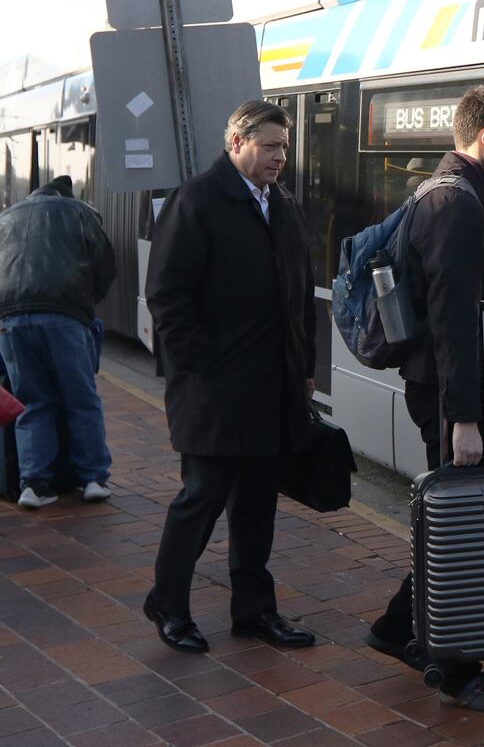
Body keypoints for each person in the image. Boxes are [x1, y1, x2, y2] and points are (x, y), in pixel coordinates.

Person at [364, 85, 484, 714]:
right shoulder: (457, 204)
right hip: (449, 395)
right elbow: (454, 317)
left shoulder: (447, 192)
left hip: (445, 389)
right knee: (463, 527)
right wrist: (466, 417)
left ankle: (397, 628)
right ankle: (460, 673)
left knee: (450, 523)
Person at [144, 101, 318, 655]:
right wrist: (204, 366)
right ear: (237, 141)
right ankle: (169, 605)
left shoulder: (283, 205)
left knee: (256, 509)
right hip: (214, 393)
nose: (280, 158)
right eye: (270, 147)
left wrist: (304, 368)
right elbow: (167, 298)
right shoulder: (196, 201)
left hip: (272, 390)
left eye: (284, 149)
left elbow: (300, 297)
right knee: (201, 501)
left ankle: (254, 611)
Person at [0, 174, 116, 508]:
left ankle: (34, 485)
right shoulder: (80, 212)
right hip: (64, 314)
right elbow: (104, 264)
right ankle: (93, 478)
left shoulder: (9, 216)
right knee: (81, 398)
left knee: (31, 400)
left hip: (10, 318)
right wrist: (88, 300)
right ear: (65, 194)